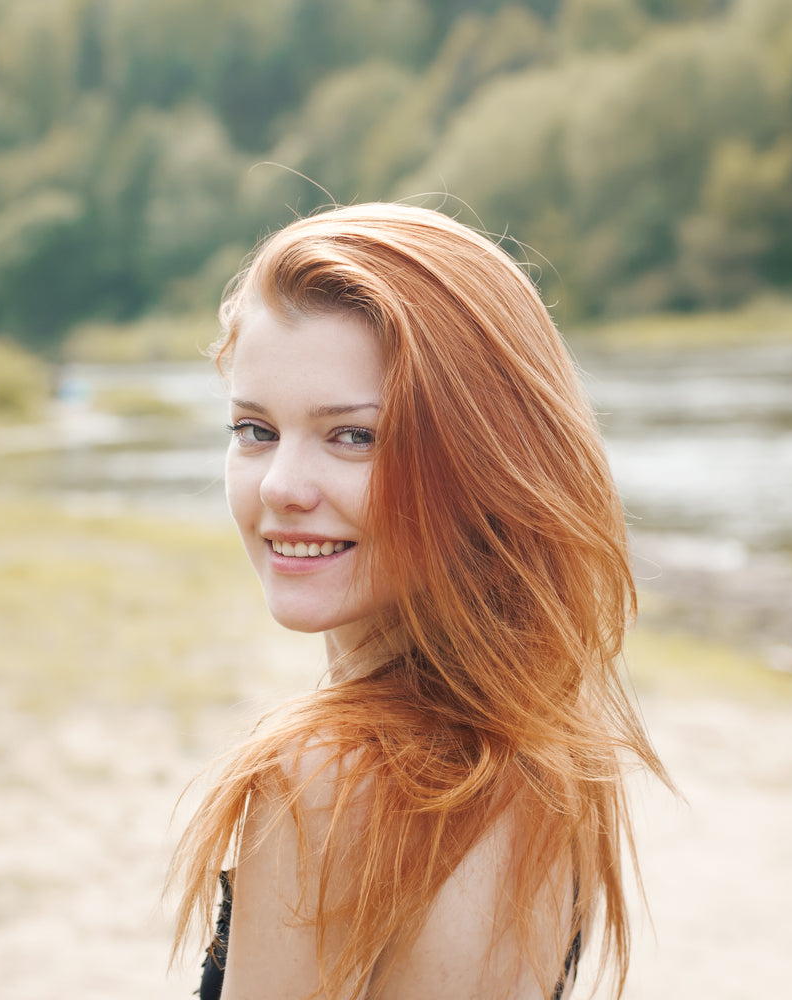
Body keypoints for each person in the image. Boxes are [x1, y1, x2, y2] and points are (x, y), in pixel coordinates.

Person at [168, 203, 668, 1000]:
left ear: (484, 456)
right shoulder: (550, 756)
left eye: (354, 436)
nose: (282, 487)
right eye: (254, 430)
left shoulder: (319, 779)